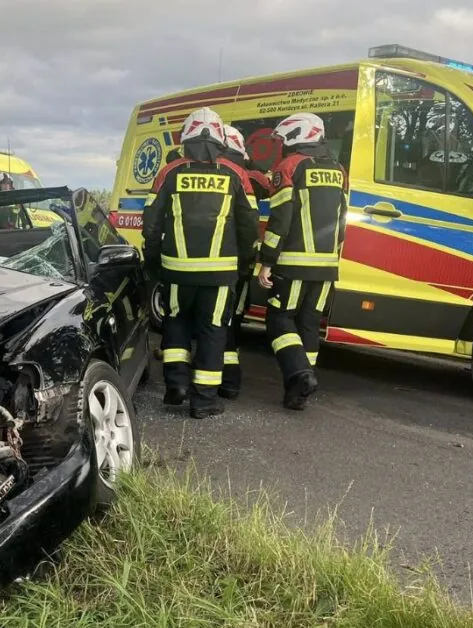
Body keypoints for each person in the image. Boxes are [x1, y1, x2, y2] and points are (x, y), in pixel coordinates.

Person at [141, 107, 260, 419]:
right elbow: (249, 224)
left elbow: (150, 222)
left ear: (186, 137)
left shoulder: (169, 173)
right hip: (220, 274)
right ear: (220, 140)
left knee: (176, 323)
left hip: (177, 270)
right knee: (212, 331)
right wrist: (245, 262)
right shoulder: (236, 174)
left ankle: (175, 386)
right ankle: (204, 400)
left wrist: (153, 260)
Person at [258, 112, 349, 411]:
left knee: (279, 319)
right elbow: (342, 220)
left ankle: (299, 374)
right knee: (309, 323)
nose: (282, 146)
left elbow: (280, 220)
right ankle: (298, 392)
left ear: (296, 136)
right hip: (327, 265)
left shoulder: (290, 167)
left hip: (293, 263)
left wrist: (267, 261)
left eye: (283, 140)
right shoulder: (339, 170)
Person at [216, 125, 271, 400]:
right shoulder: (247, 176)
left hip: (210, 262)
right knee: (231, 320)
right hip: (238, 263)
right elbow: (265, 184)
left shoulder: (206, 169)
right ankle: (228, 380)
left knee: (210, 320)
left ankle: (209, 373)